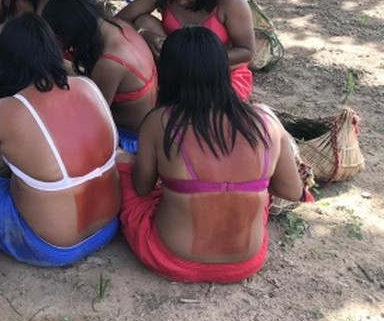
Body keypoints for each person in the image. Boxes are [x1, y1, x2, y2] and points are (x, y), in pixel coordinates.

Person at [117, 26, 305, 283]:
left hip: (169, 257)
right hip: (246, 262)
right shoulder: (266, 121)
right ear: (223, 69)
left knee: (122, 164)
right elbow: (293, 192)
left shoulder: (160, 121)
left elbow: (142, 188)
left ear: (168, 73)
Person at [0, 14, 120, 267]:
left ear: (5, 61)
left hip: (50, 246)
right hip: (108, 226)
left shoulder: (4, 111)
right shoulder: (89, 86)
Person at [116, 0, 255, 100]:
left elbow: (247, 51)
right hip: (176, 69)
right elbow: (120, 19)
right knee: (143, 21)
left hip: (218, 72)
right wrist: (142, 32)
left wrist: (197, 62)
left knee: (203, 111)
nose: (181, 1)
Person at [42, 0, 157, 155]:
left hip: (128, 141)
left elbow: (91, 117)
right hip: (140, 126)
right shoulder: (119, 26)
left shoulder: (110, 63)